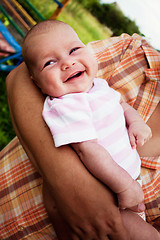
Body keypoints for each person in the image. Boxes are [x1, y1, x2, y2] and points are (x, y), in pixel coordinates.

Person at [5, 21, 160, 240]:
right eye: (49, 62)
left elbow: (121, 105)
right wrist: (124, 186)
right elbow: (88, 150)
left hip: (126, 194)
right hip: (115, 194)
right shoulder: (67, 104)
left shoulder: (99, 86)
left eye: (74, 50)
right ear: (37, 83)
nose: (67, 63)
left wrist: (135, 122)